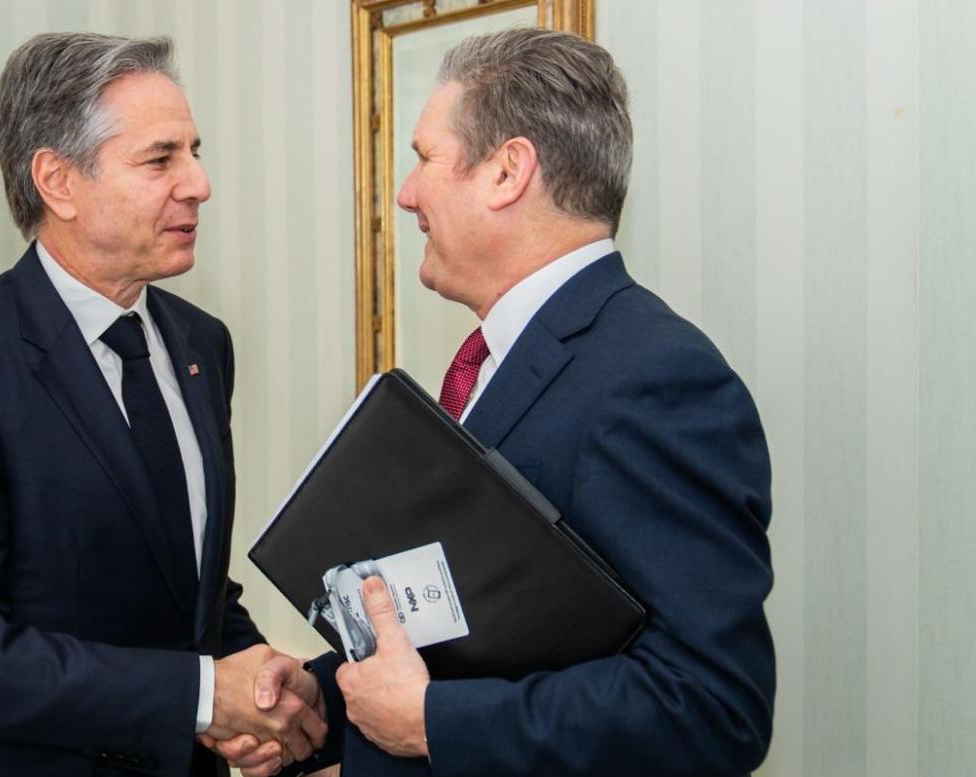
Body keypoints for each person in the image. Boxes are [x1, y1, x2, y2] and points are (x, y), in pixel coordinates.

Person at [217, 28, 775, 777]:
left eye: (423, 157)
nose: (406, 193)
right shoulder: (501, 357)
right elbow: (495, 626)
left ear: (508, 171)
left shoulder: (655, 376)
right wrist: (323, 699)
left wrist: (431, 721)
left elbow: (711, 707)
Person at [0, 33, 324, 777]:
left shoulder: (201, 345)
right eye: (161, 159)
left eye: (195, 150)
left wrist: (259, 676)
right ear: (58, 181)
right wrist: (202, 694)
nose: (200, 183)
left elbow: (182, 586)